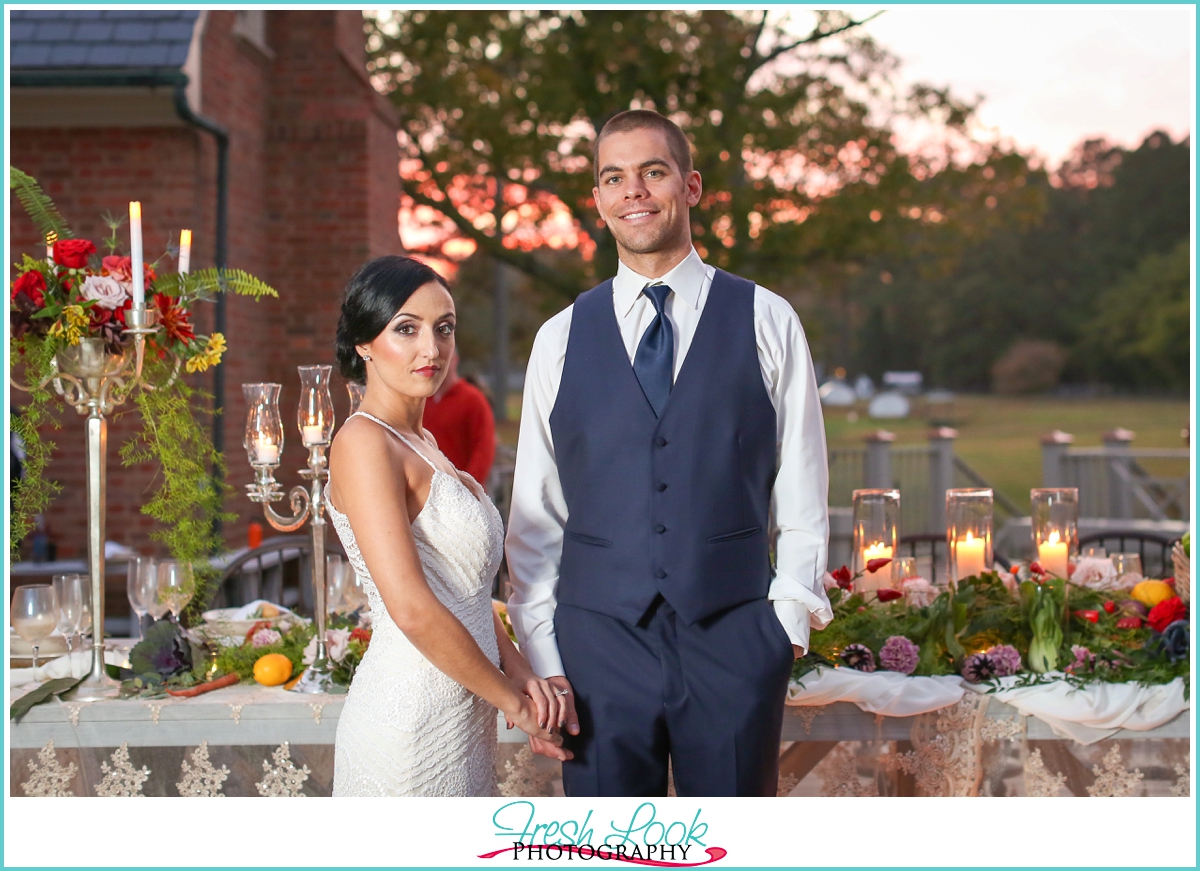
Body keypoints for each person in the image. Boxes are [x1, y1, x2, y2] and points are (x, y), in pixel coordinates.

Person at [505, 109, 832, 797]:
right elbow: (534, 518)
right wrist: (545, 652)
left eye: (653, 172)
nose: (635, 192)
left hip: (735, 638)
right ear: (596, 201)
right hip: (597, 649)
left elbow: (803, 489)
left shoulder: (767, 319)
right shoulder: (558, 339)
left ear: (690, 186)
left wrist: (786, 624)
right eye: (614, 178)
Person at [327, 255, 565, 796]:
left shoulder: (425, 445)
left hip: (463, 710)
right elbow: (411, 608)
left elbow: (467, 595)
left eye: (444, 328)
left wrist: (522, 670)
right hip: (408, 715)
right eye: (405, 329)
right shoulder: (363, 443)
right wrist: (512, 702)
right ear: (364, 342)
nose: (431, 349)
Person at [422, 351, 497, 485]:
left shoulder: (473, 399)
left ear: (455, 360)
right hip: (426, 490)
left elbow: (484, 449)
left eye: (442, 357)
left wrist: (468, 488)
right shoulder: (421, 399)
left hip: (460, 492)